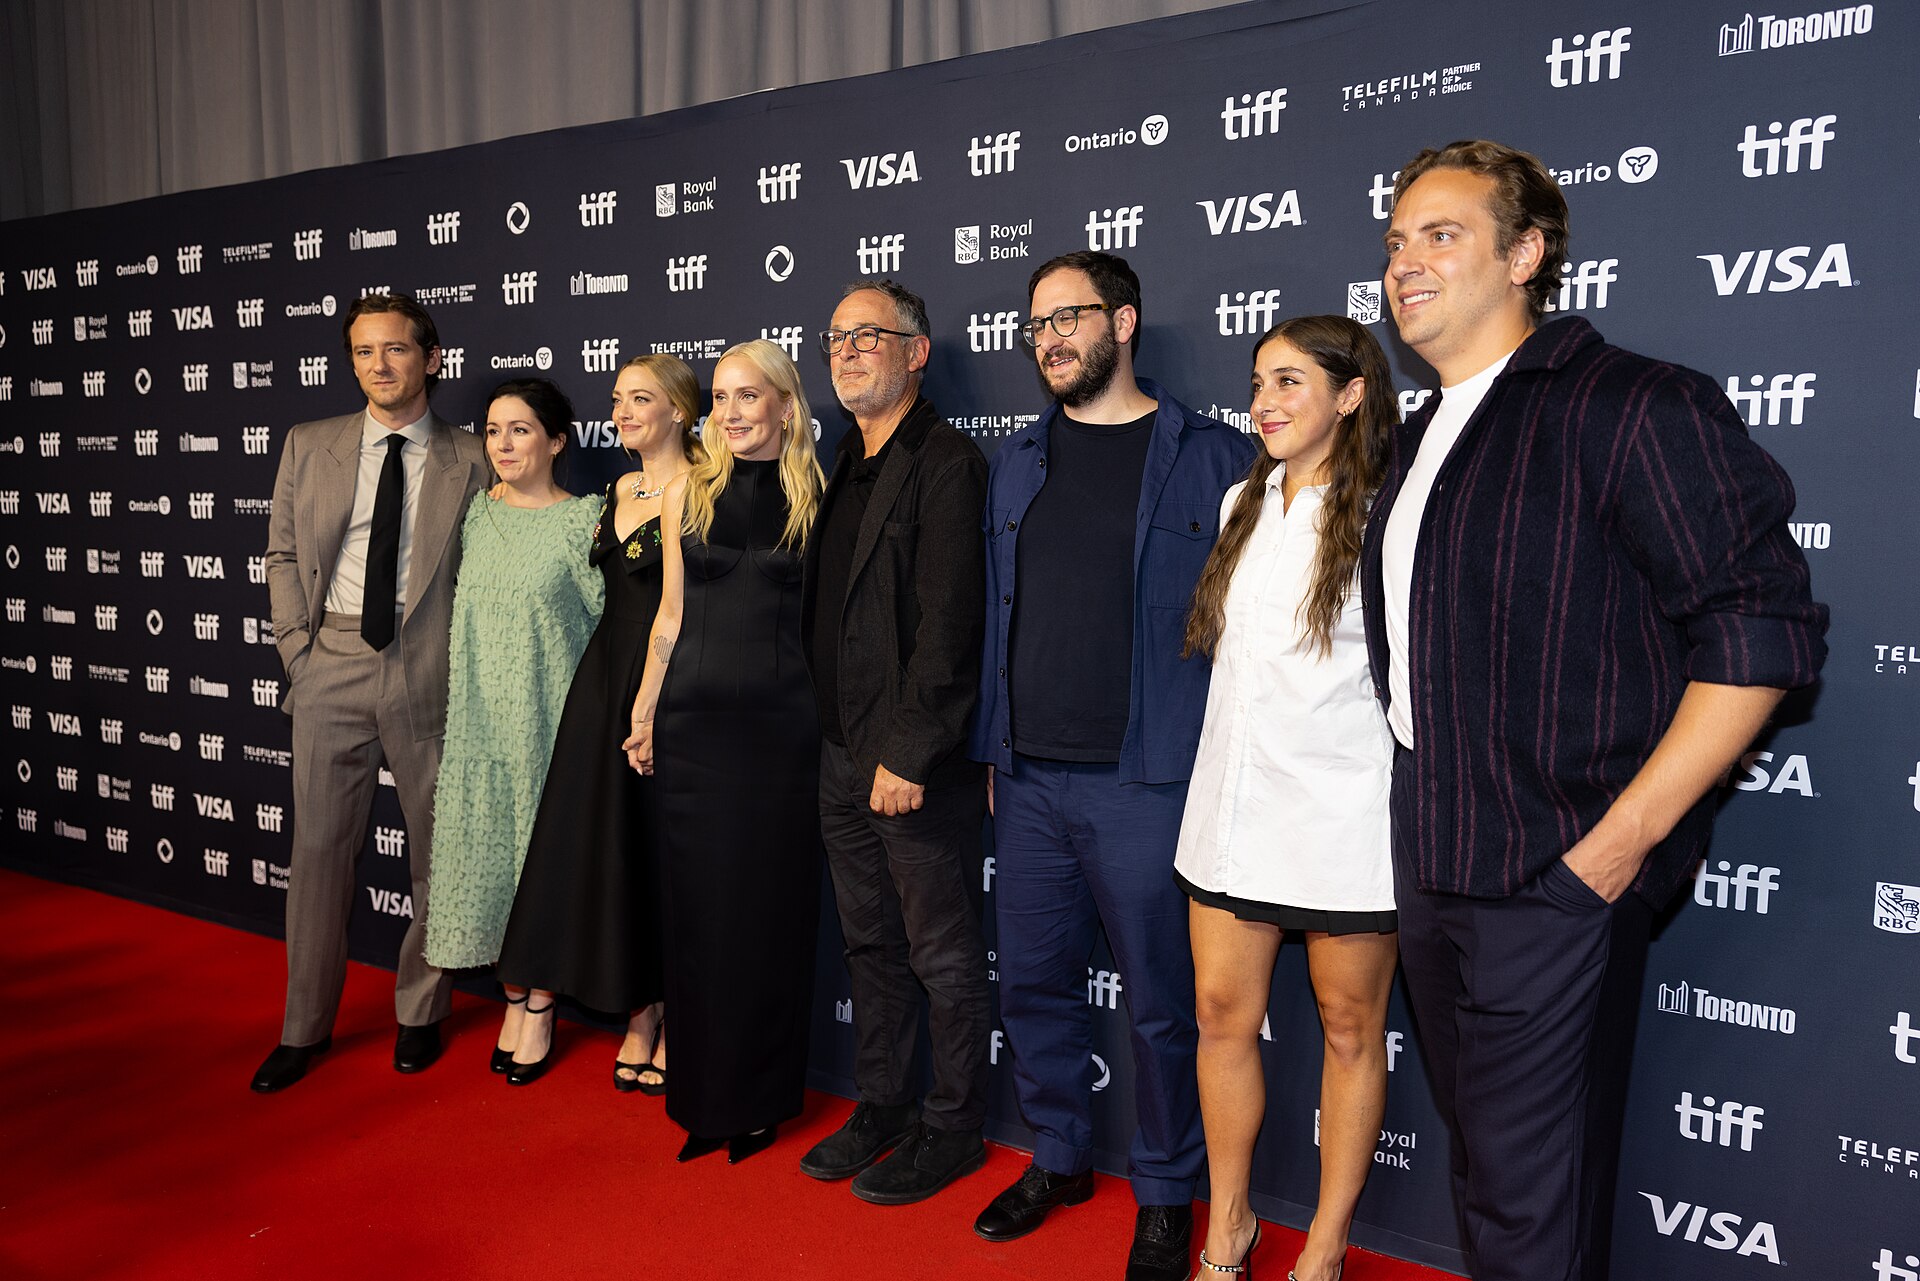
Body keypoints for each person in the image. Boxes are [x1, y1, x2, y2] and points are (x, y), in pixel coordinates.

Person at [1364, 139, 1827, 1281]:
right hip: (1432, 861)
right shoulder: (1421, 434)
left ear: (1526, 254)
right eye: (1395, 242)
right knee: (1490, 1182)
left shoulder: (1634, 404)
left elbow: (1760, 633)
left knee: (1534, 1208)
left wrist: (1615, 848)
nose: (1405, 263)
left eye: (1442, 234)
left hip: (1556, 874)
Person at [968, 251, 1256, 1281]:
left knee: (1162, 1005)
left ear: (1124, 322)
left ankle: (1170, 1190)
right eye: (1037, 323)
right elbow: (999, 617)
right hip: (1030, 779)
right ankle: (1057, 1155)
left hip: (1148, 781)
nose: (1050, 338)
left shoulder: (1213, 458)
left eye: (1072, 317)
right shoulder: (1015, 460)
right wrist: (995, 749)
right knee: (1035, 987)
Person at [1176, 317, 1400, 1281]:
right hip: (1229, 808)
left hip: (1344, 815)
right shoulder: (1242, 496)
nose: (1263, 402)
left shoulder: (1387, 511)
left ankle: (1325, 1245)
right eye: (1258, 382)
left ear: (1351, 395)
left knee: (1350, 1029)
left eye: (1290, 381)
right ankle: (1229, 1225)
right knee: (1223, 1015)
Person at [253, 293, 490, 1092]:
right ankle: (302, 1027)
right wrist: (299, 650)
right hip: (332, 659)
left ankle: (421, 1011)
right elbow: (281, 552)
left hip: (430, 663)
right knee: (317, 852)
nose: (379, 366)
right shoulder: (308, 444)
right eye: (362, 351)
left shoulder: (473, 455)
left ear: (431, 357)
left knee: (435, 851)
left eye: (395, 350)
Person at [797, 280, 991, 1204]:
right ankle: (886, 1104)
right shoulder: (847, 458)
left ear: (917, 351)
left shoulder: (947, 460)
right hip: (840, 752)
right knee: (870, 945)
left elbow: (952, 624)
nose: (846, 350)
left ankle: (953, 1125)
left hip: (909, 763)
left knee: (942, 955)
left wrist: (910, 754)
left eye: (868, 335)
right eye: (835, 338)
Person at [624, 339, 825, 1164]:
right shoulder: (688, 492)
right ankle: (705, 1099)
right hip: (693, 728)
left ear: (784, 403)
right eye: (721, 397)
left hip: (781, 736)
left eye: (750, 396)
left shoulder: (818, 492)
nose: (732, 413)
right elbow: (669, 616)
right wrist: (644, 709)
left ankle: (762, 1099)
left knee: (766, 917)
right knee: (699, 918)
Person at [495, 356, 702, 1091]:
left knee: (665, 859)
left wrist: (653, 700)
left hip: (669, 686)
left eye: (640, 398)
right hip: (601, 682)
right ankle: (639, 1013)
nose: (621, 411)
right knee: (612, 855)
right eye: (616, 399)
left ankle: (680, 1014)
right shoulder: (616, 488)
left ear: (679, 409)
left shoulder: (703, 487)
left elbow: (682, 611)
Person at [421, 379, 602, 1083]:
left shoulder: (582, 519)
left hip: (550, 721)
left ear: (557, 440)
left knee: (540, 860)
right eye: (494, 430)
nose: (503, 444)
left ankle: (542, 1002)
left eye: (521, 430)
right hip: (477, 722)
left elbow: (605, 625)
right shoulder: (475, 514)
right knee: (491, 861)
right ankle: (515, 991)